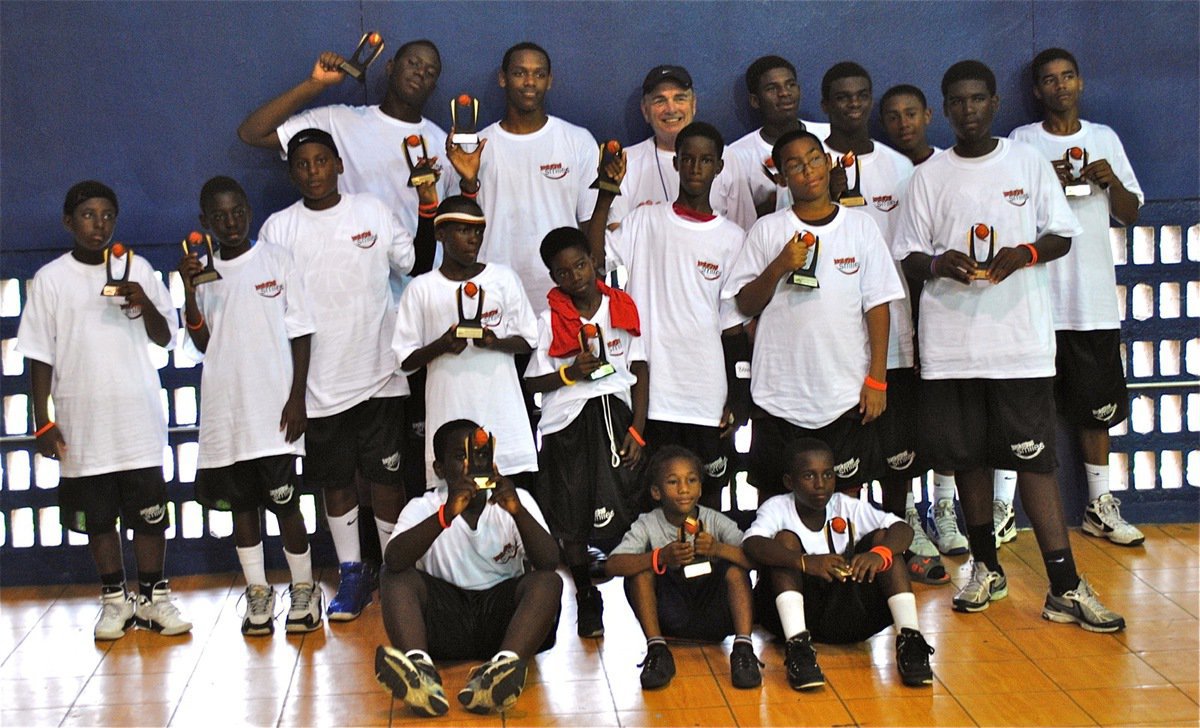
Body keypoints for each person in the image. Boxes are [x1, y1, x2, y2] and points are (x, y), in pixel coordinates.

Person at [893, 60, 1125, 631]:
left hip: (1020, 344)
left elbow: (1061, 234)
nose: (968, 110)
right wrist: (940, 263)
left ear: (995, 104)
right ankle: (985, 567)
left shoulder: (1025, 162)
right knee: (968, 460)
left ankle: (1064, 586)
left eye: (978, 100)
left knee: (1034, 463)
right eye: (957, 101)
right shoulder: (927, 176)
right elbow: (909, 252)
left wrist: (1024, 254)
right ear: (943, 110)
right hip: (950, 349)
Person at [257, 128, 422, 621]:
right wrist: (289, 390)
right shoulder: (277, 229)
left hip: (379, 372)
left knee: (387, 478)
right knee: (337, 483)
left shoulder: (370, 210)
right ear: (291, 172)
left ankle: (396, 570)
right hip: (317, 385)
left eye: (321, 161)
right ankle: (352, 573)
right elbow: (274, 309)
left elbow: (411, 263)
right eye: (302, 164)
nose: (312, 171)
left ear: (338, 165)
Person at [18, 181, 191, 640]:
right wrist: (43, 420)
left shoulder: (140, 269)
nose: (99, 224)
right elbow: (38, 354)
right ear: (68, 222)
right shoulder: (52, 279)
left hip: (137, 418)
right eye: (89, 215)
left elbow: (165, 336)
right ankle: (114, 601)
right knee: (99, 520)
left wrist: (142, 299)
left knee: (151, 515)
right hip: (82, 424)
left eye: (107, 215)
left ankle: (155, 598)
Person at [1009, 47, 1145, 547]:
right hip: (1033, 302)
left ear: (1081, 83)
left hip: (1090, 301)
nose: (1060, 86)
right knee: (1021, 410)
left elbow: (1131, 212)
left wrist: (1109, 183)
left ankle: (1100, 504)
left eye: (1068, 76)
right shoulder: (1021, 142)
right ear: (1037, 90)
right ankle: (1006, 507)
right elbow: (1007, 214)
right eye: (1049, 79)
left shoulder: (1104, 138)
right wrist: (1051, 184)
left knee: (1096, 409)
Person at [179, 176, 322, 636]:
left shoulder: (276, 261)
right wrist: (187, 290)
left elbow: (301, 331)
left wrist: (298, 395)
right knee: (243, 508)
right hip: (228, 413)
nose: (231, 222)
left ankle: (303, 588)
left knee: (286, 503)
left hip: (274, 410)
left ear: (248, 210)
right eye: (219, 216)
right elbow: (200, 342)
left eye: (237, 211)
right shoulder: (203, 275)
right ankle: (258, 592)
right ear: (205, 223)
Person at [727, 129, 903, 502]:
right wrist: (778, 266)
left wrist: (878, 379)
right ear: (782, 178)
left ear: (828, 162)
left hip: (844, 393)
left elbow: (878, 305)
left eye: (813, 159)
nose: (808, 170)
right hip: (779, 396)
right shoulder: (767, 230)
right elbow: (744, 304)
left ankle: (843, 562)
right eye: (795, 165)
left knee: (846, 502)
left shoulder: (860, 227)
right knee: (775, 503)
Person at [588, 121, 751, 511]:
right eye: (688, 159)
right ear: (676, 163)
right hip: (651, 394)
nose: (696, 167)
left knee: (706, 502)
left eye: (705, 160)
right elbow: (594, 260)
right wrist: (606, 194)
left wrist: (740, 393)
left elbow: (732, 326)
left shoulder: (731, 238)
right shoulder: (646, 221)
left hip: (705, 394)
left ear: (719, 166)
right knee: (648, 500)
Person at [374, 419, 562, 717]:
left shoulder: (517, 500)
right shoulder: (423, 506)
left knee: (548, 582)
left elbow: (549, 562)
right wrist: (446, 514)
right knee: (393, 577)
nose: (470, 464)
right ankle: (419, 671)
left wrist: (517, 512)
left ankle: (501, 669)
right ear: (439, 469)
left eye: (478, 455)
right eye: (460, 457)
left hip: (502, 624)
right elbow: (394, 561)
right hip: (445, 623)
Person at [524, 227, 649, 638]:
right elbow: (532, 383)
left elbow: (640, 368)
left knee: (625, 508)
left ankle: (640, 594)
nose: (575, 276)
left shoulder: (622, 307)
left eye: (581, 265)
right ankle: (585, 593)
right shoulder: (549, 319)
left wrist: (639, 430)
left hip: (615, 419)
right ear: (554, 278)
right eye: (564, 271)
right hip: (568, 426)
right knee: (572, 516)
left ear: (594, 264)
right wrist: (567, 373)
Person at [742, 438, 934, 690]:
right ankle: (798, 648)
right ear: (790, 481)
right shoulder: (777, 507)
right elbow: (752, 543)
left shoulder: (845, 505)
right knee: (784, 543)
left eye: (828, 475)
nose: (820, 484)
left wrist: (880, 553)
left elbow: (902, 529)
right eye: (809, 476)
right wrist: (804, 562)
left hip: (849, 613)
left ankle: (910, 640)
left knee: (884, 543)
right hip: (801, 612)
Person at [392, 196, 539, 487]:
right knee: (456, 504)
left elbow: (529, 339)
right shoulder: (421, 289)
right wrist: (442, 346)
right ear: (440, 234)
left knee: (510, 503)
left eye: (478, 231)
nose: (473, 239)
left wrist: (495, 342)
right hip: (449, 411)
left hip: (503, 415)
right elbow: (405, 361)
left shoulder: (504, 278)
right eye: (463, 230)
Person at [237, 39, 455, 234]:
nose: (420, 73)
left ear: (433, 87)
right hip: (353, 271)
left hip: (420, 274)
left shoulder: (443, 145)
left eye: (430, 72)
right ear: (390, 67)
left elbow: (452, 221)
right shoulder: (339, 121)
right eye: (413, 63)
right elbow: (253, 133)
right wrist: (315, 85)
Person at [605, 446, 762, 690]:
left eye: (691, 480)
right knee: (640, 573)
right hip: (672, 614)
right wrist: (659, 557)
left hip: (714, 613)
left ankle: (743, 649)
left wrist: (718, 549)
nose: (683, 489)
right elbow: (613, 565)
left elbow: (755, 559)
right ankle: (657, 650)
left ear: (700, 488)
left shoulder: (714, 520)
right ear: (656, 492)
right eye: (672, 482)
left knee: (736, 570)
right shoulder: (647, 523)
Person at [464, 42, 598, 316]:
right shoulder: (476, 148)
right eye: (519, 73)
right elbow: (461, 229)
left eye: (539, 74)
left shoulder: (578, 141)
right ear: (503, 78)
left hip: (561, 294)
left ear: (550, 81)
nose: (529, 82)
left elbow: (589, 225)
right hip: (493, 292)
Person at [606, 65, 752, 231]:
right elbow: (615, 230)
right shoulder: (626, 161)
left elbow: (743, 230)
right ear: (645, 111)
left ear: (693, 105)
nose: (671, 109)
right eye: (660, 100)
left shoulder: (726, 156)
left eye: (680, 98)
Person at [728, 55, 831, 224]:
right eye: (772, 88)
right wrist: (765, 209)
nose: (784, 93)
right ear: (755, 100)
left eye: (790, 85)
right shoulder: (737, 155)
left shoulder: (829, 135)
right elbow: (737, 222)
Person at [879, 85, 939, 166]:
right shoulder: (881, 169)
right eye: (893, 118)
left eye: (911, 115)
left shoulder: (946, 163)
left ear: (927, 116)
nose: (903, 124)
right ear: (883, 124)